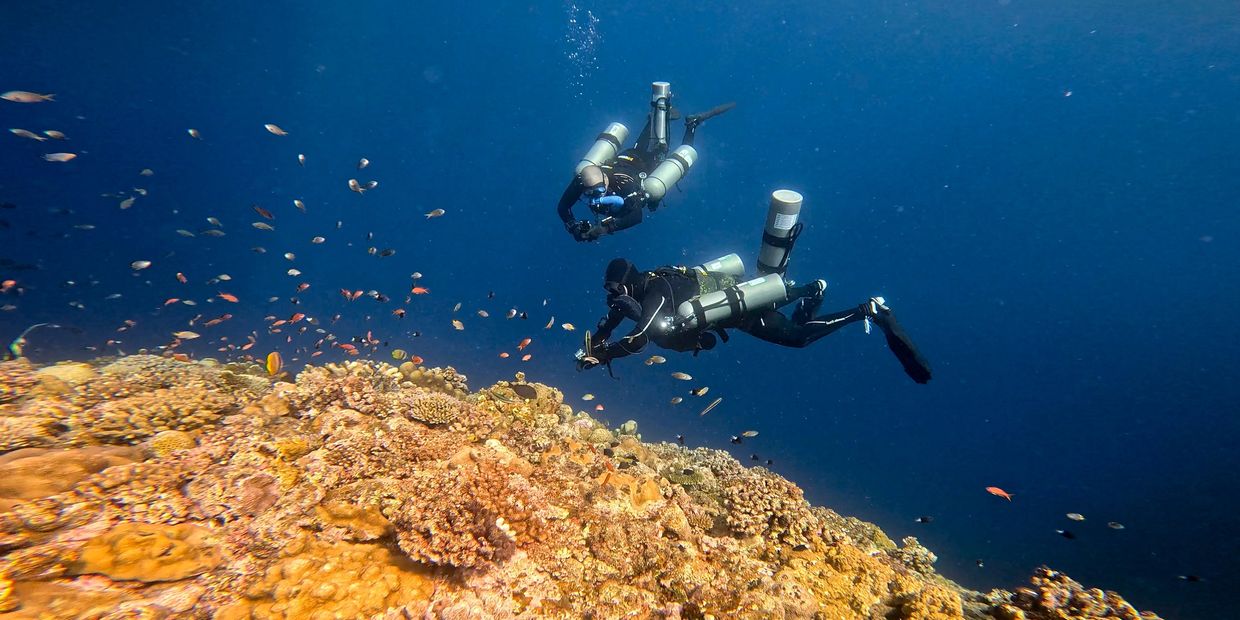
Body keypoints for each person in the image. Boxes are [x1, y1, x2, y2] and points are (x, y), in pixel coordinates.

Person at [575, 257, 932, 384]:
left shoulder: (655, 291)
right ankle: (809, 290)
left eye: (615, 288)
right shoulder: (635, 294)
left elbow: (639, 339)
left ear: (630, 280)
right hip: (730, 304)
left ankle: (865, 310)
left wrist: (605, 356)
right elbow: (614, 318)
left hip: (740, 311)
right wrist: (594, 343)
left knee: (796, 338)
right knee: (792, 325)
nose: (613, 295)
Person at [558, 82, 734, 242]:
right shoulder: (583, 180)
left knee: (662, 151)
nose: (596, 197)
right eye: (590, 194)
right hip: (628, 156)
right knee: (638, 147)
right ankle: (654, 118)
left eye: (598, 191)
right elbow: (563, 207)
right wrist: (572, 225)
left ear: (605, 180)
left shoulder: (625, 186)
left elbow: (636, 217)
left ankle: (691, 125)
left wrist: (604, 229)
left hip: (646, 166)